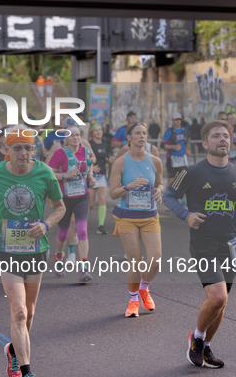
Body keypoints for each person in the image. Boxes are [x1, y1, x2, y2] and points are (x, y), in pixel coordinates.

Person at [163, 120, 236, 368]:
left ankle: (205, 347)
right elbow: (168, 195)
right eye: (216, 136)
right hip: (204, 244)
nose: (223, 139)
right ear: (205, 143)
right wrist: (186, 215)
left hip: (231, 245)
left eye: (226, 135)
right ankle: (196, 339)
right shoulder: (191, 172)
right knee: (216, 297)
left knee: (222, 300)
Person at [0, 129, 65, 377]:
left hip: (37, 248)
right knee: (19, 311)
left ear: (34, 150)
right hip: (6, 248)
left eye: (28, 148)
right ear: (6, 150)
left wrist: (45, 225)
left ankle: (13, 352)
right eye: (17, 148)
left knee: (30, 311)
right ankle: (27, 372)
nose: (23, 153)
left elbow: (60, 207)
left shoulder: (45, 173)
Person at [108, 122, 164, 317]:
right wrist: (129, 186)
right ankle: (133, 301)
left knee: (155, 260)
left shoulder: (155, 161)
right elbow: (113, 193)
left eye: (144, 133)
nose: (142, 137)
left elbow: (161, 184)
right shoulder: (120, 163)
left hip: (150, 216)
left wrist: (159, 191)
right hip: (127, 217)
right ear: (129, 138)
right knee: (135, 261)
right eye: (137, 133)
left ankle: (144, 287)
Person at [48, 124, 96, 282]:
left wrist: (90, 176)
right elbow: (49, 173)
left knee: (82, 231)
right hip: (64, 198)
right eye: (72, 135)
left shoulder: (86, 151)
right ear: (66, 138)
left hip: (82, 196)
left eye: (77, 135)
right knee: (63, 233)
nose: (75, 138)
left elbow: (89, 166)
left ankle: (84, 269)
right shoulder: (60, 153)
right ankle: (59, 258)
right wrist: (65, 175)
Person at [89, 123, 114, 235]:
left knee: (102, 200)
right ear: (92, 133)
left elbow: (110, 156)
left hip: (102, 176)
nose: (98, 132)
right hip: (90, 176)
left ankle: (101, 226)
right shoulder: (89, 145)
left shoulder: (105, 145)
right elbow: (84, 158)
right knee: (90, 202)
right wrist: (92, 167)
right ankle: (80, 222)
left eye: (100, 129)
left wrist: (111, 159)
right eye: (96, 130)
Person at [161, 112, 190, 188]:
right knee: (171, 180)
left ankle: (182, 198)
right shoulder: (169, 131)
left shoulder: (184, 129)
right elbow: (162, 145)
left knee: (184, 179)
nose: (178, 121)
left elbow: (185, 142)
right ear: (172, 120)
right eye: (176, 119)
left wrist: (187, 149)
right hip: (172, 158)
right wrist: (173, 147)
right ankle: (167, 197)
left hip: (182, 158)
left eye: (179, 119)